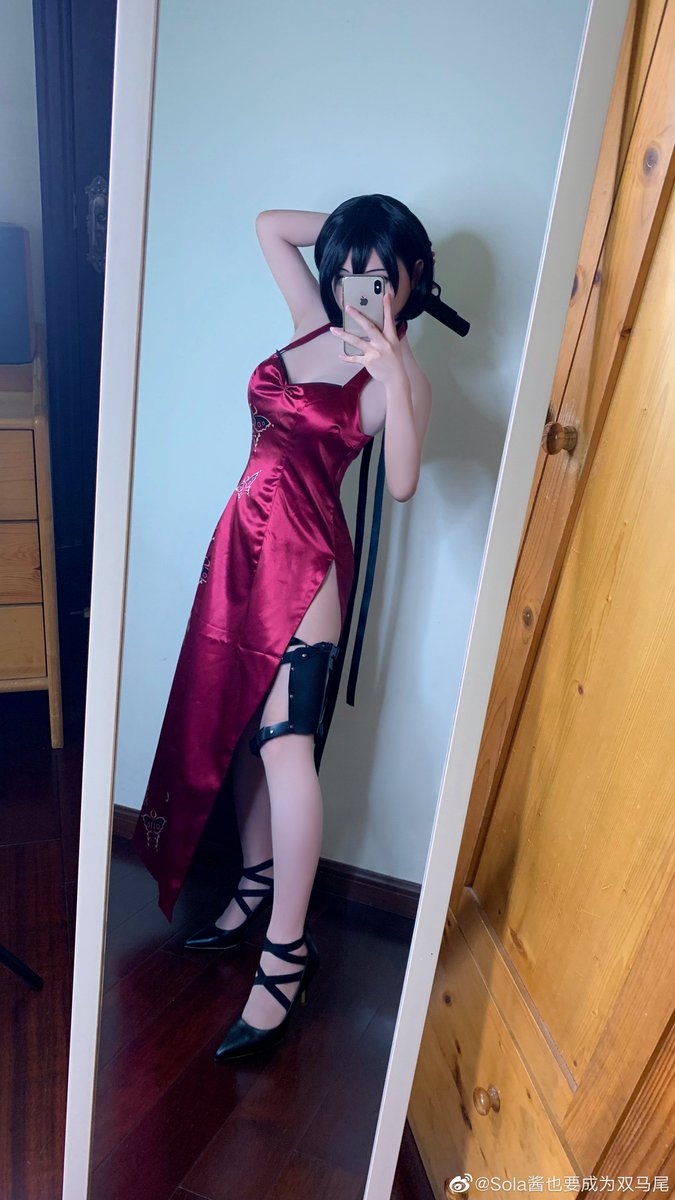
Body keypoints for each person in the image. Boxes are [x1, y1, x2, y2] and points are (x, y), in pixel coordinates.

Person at [131, 194, 434, 1062]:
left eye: (379, 278)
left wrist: (395, 363)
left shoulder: (396, 375)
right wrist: (361, 225)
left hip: (305, 564)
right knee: (238, 734)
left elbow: (403, 483)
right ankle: (254, 883)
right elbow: (269, 225)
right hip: (240, 550)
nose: (357, 290)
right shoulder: (310, 319)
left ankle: (285, 956)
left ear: (409, 281)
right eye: (347, 272)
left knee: (284, 747)